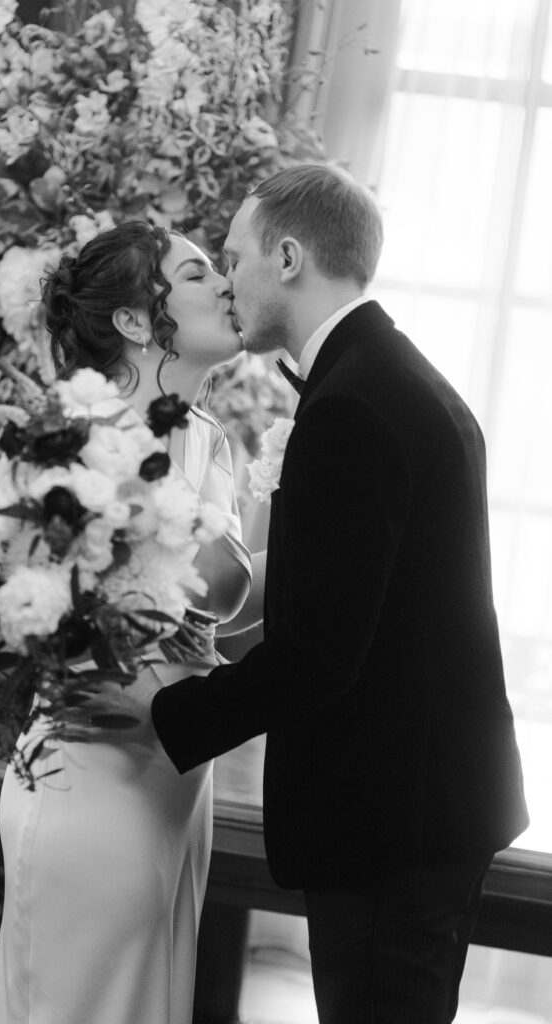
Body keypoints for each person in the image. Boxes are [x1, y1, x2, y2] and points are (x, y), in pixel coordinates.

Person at [150, 164, 530, 1024]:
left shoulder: (353, 406)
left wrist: (162, 718)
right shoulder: (389, 376)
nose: (229, 279)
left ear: (287, 258)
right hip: (420, 805)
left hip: (389, 822)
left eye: (234, 256)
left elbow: (321, 652)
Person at [0, 222, 251, 1024]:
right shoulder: (74, 441)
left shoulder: (211, 441)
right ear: (137, 320)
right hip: (93, 772)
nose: (226, 287)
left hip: (176, 778)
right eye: (200, 273)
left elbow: (229, 598)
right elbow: (37, 623)